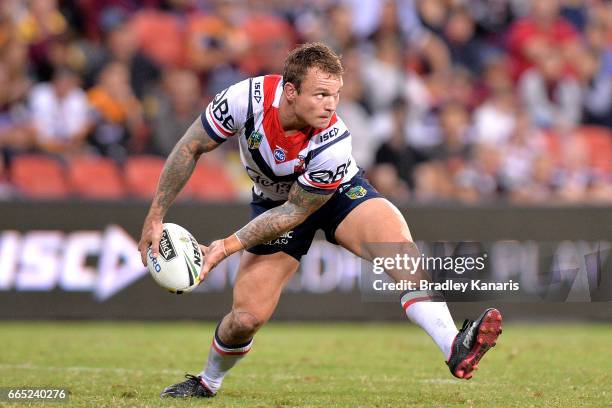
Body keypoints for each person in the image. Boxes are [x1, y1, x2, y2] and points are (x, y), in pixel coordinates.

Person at [137, 42, 503, 398]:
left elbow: (297, 212)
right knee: (245, 319)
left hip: (335, 194)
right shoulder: (243, 100)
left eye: (336, 95)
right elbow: (190, 146)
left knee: (399, 253)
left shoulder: (334, 142)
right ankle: (208, 382)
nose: (331, 106)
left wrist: (226, 246)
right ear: (290, 91)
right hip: (273, 204)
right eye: (321, 95)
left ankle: (453, 344)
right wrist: (155, 217)